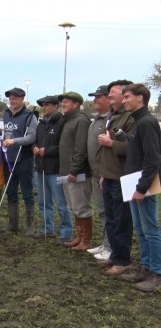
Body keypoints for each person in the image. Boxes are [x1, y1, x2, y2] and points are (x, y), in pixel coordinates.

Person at [121, 83, 161, 292]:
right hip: (132, 182)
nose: (124, 100)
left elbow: (153, 158)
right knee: (140, 229)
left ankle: (157, 272)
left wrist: (142, 187)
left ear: (140, 98)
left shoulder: (147, 122)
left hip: (142, 185)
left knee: (150, 229)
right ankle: (145, 267)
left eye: (127, 97)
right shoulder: (136, 122)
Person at [95, 80, 135, 276]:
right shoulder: (113, 116)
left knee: (121, 220)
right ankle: (114, 254)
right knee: (111, 220)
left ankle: (123, 260)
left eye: (113, 92)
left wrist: (111, 143)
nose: (109, 95)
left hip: (122, 177)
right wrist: (102, 173)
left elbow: (133, 148)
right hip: (109, 176)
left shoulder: (130, 118)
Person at [32, 95, 72, 243]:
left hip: (56, 169)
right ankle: (47, 229)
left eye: (47, 105)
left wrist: (47, 151)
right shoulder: (41, 124)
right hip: (41, 169)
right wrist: (34, 148)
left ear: (56, 106)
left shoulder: (62, 123)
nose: (44, 107)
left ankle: (66, 233)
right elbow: (35, 141)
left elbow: (64, 146)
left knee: (62, 204)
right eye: (43, 105)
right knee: (44, 202)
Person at [58, 91, 93, 251]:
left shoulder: (81, 121)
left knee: (81, 207)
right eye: (63, 101)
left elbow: (80, 148)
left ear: (77, 104)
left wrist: (73, 170)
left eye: (67, 101)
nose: (63, 104)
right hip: (67, 172)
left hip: (77, 173)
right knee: (73, 206)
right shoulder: (68, 121)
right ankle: (79, 237)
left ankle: (86, 241)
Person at [2, 87, 38, 236]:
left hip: (24, 158)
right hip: (8, 159)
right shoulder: (6, 114)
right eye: (10, 98)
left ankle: (30, 225)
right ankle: (13, 224)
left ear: (22, 99)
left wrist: (14, 141)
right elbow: (6, 133)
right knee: (11, 192)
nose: (12, 100)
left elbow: (31, 137)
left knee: (27, 193)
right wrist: (2, 139)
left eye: (15, 98)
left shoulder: (30, 116)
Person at [85, 85, 110, 260]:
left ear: (108, 98)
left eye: (98, 97)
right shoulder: (95, 121)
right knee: (101, 210)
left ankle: (111, 247)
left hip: (106, 173)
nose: (95, 100)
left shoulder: (111, 121)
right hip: (95, 172)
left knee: (109, 212)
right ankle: (105, 243)